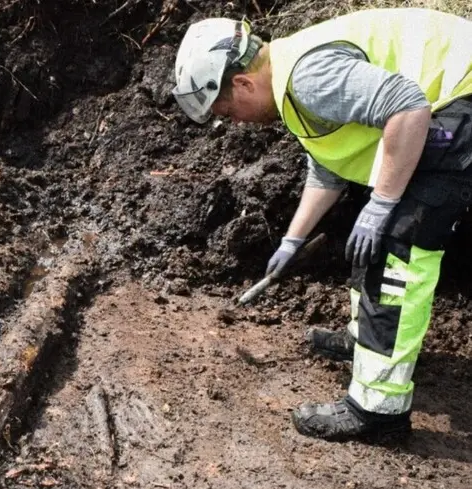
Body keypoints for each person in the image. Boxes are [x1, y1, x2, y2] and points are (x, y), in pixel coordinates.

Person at [171, 8, 472, 441]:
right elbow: (329, 166)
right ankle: (367, 340)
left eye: (228, 110)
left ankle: (378, 412)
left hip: (459, 101)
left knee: (396, 246)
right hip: (446, 105)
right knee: (374, 220)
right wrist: (293, 239)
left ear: (243, 83)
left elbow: (409, 105)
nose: (234, 121)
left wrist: (382, 205)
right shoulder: (291, 78)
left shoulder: (308, 77)